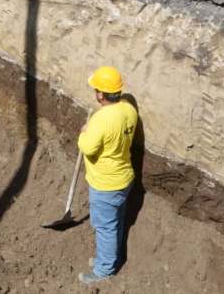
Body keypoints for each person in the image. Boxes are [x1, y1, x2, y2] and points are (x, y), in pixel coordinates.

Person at [77, 66, 138, 286]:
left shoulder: (101, 119)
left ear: (101, 94)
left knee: (105, 227)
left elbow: (88, 148)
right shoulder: (129, 110)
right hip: (124, 178)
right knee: (117, 221)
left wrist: (84, 133)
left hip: (105, 184)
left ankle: (104, 270)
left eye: (96, 89)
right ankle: (112, 257)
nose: (95, 92)